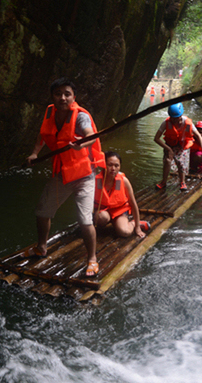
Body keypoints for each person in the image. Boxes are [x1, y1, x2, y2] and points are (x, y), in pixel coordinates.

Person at [25, 78, 105, 277]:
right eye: (58, 93)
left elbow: (91, 136)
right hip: (62, 173)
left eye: (67, 94)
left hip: (84, 175)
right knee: (43, 212)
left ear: (73, 97)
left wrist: (82, 144)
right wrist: (35, 153)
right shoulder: (50, 112)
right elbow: (43, 134)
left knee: (85, 221)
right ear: (53, 96)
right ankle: (41, 247)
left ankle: (92, 259)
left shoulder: (80, 117)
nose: (63, 98)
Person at [94, 151, 149, 238]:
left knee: (125, 232)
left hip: (119, 211)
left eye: (116, 166)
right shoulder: (96, 181)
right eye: (110, 165)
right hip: (103, 211)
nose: (113, 168)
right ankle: (107, 223)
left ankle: (133, 223)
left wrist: (137, 227)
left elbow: (133, 203)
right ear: (104, 165)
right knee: (101, 218)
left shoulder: (123, 181)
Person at [154, 103, 202, 191]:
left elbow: (199, 137)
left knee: (181, 163)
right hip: (169, 145)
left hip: (183, 145)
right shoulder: (166, 122)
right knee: (167, 161)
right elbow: (156, 138)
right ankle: (163, 182)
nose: (174, 120)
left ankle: (182, 182)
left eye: (176, 118)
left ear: (181, 115)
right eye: (172, 117)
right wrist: (168, 149)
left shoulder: (187, 123)